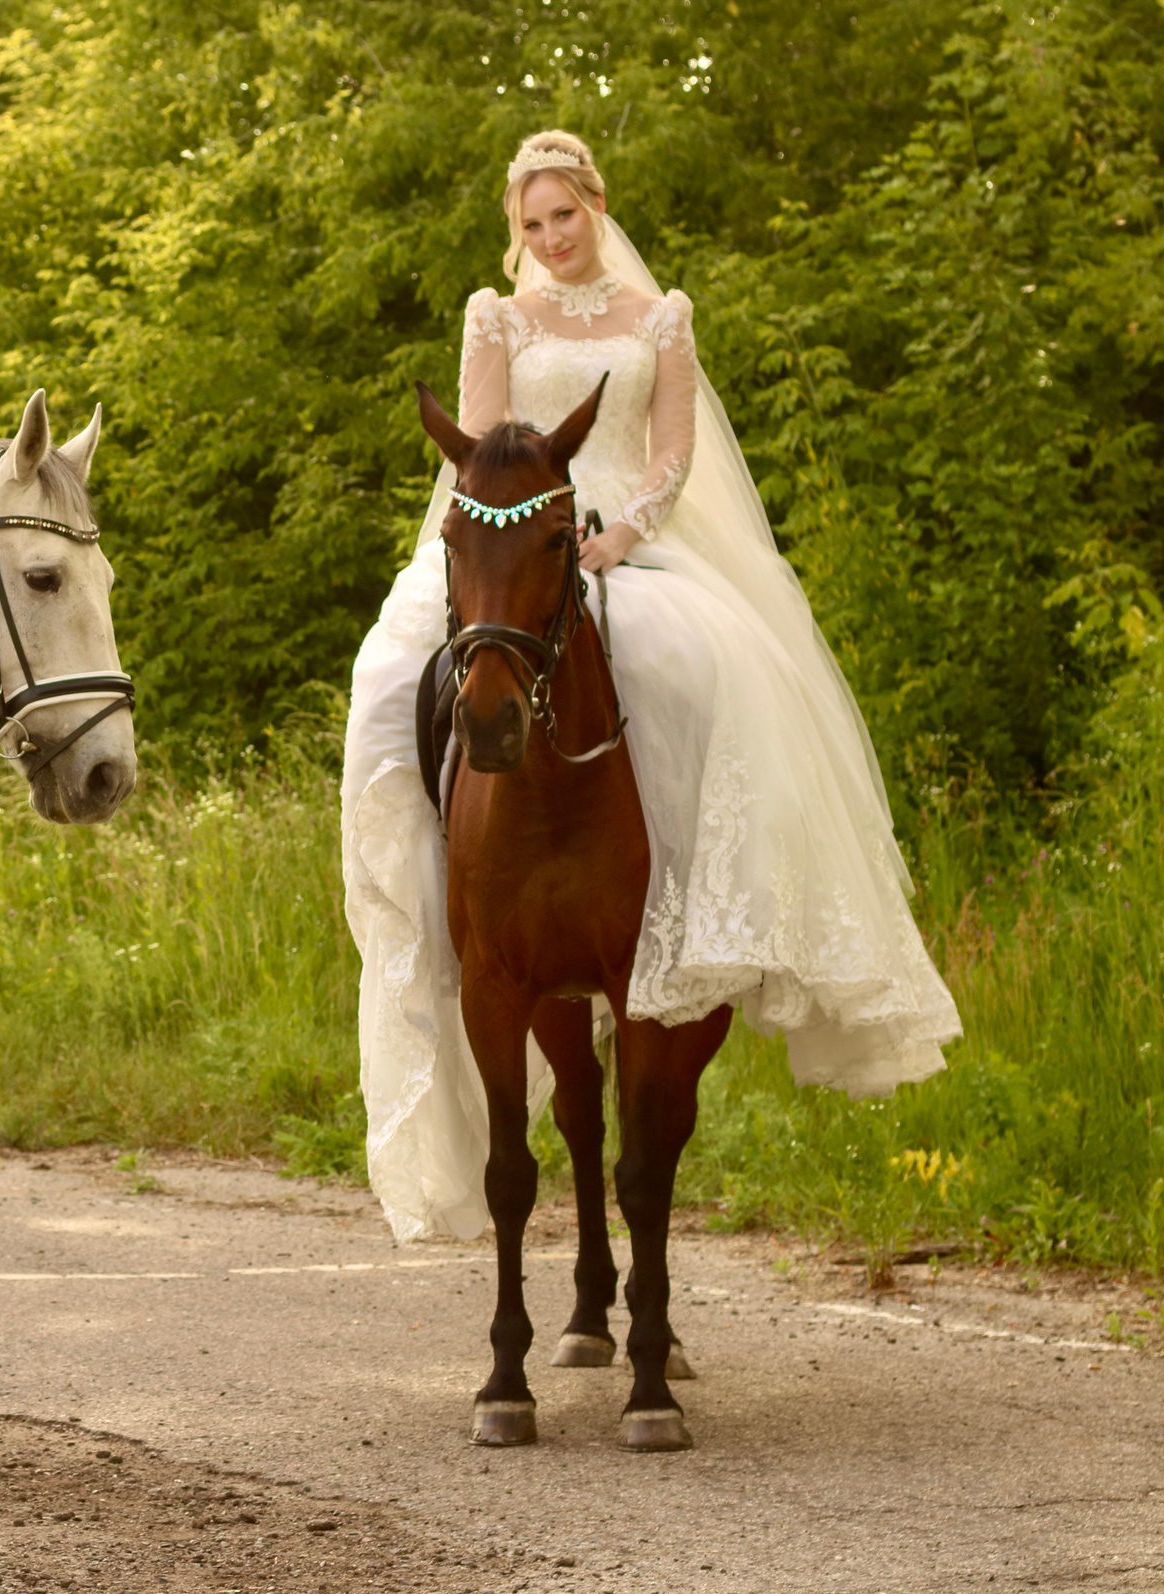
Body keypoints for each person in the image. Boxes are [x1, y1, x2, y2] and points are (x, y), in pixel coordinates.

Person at [340, 131, 962, 1242]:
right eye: (529, 226)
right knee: (388, 680)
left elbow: (670, 454)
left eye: (561, 218)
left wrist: (615, 534)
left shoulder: (657, 318)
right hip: (513, 537)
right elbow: (474, 447)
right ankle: (434, 919)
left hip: (621, 542)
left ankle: (692, 901)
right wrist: (511, 530)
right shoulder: (498, 317)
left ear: (595, 204)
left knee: (697, 664)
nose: (546, 241)